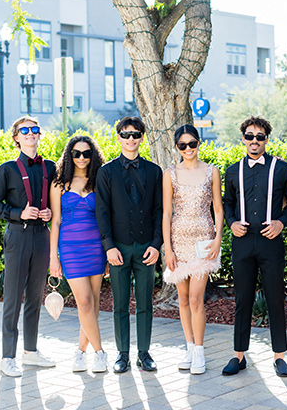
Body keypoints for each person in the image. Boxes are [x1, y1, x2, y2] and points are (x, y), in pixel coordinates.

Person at [222, 116, 287, 377]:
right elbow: (227, 203)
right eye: (250, 136)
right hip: (242, 241)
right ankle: (238, 355)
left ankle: (279, 356)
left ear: (267, 139)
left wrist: (281, 223)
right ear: (243, 138)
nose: (255, 141)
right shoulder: (232, 170)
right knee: (243, 298)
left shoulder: (282, 169)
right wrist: (231, 223)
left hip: (270, 242)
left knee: (275, 297)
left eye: (260, 136)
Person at [0, 116, 56, 378]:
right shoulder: (7, 169)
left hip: (41, 236)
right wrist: (18, 213)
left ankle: (31, 352)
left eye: (35, 130)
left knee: (35, 298)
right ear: (16, 137)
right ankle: (7, 357)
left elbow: (55, 201)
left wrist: (49, 213)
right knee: (13, 299)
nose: (30, 133)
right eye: (24, 130)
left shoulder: (50, 167)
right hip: (17, 235)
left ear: (40, 135)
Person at [96, 116, 162, 374]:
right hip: (119, 248)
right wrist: (109, 246)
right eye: (126, 134)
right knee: (120, 303)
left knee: (145, 302)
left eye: (135, 134)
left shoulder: (154, 171)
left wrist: (157, 244)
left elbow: (159, 210)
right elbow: (102, 212)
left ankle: (143, 353)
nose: (131, 139)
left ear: (142, 137)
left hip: (146, 246)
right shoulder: (106, 172)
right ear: (118, 137)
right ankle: (122, 354)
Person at [162, 124, 224, 375]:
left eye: (192, 144)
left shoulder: (212, 171)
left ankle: (199, 350)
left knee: (197, 298)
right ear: (177, 147)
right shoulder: (170, 174)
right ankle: (188, 346)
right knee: (183, 299)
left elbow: (218, 209)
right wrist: (168, 248)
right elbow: (167, 212)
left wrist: (218, 239)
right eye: (182, 145)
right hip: (178, 241)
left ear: (199, 143)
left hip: (203, 242)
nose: (188, 149)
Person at [49, 135, 108, 373]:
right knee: (83, 302)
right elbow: (55, 222)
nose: (81, 158)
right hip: (71, 249)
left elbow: (106, 219)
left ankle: (80, 353)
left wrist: (108, 251)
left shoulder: (99, 181)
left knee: (92, 305)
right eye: (76, 153)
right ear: (69, 155)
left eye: (86, 153)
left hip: (96, 248)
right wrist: (54, 257)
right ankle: (101, 353)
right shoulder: (59, 184)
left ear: (92, 156)